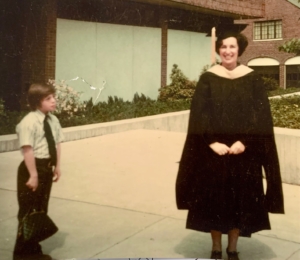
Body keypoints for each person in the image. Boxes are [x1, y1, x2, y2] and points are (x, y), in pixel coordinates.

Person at [175, 31, 284, 260]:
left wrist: (244, 142)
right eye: (223, 46)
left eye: (232, 47)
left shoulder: (252, 78)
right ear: (218, 50)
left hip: (244, 154)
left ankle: (232, 248)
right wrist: (212, 142)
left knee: (239, 201)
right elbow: (199, 116)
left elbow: (261, 117)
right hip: (213, 154)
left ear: (239, 50)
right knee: (214, 201)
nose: (227, 51)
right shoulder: (208, 78)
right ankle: (216, 248)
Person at [13, 83, 64, 260]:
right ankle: (21, 254)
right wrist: (33, 175)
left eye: (53, 97)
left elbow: (57, 143)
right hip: (31, 169)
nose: (53, 101)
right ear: (37, 102)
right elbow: (28, 150)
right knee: (28, 213)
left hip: (46, 169)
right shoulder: (29, 122)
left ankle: (33, 250)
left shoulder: (52, 120)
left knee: (40, 211)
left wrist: (56, 166)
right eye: (48, 98)